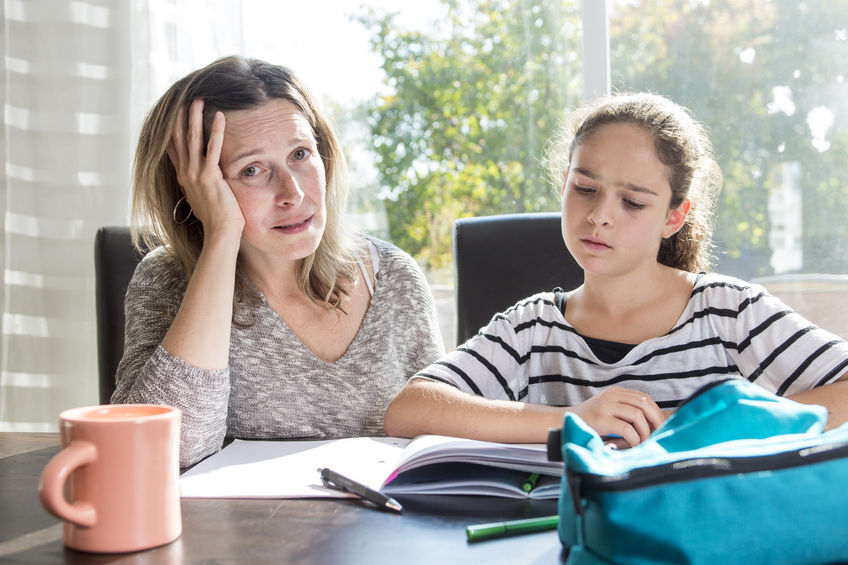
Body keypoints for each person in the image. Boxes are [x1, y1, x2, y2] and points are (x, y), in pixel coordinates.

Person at [384, 92, 848, 447]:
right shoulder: (533, 328)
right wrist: (574, 421)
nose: (600, 216)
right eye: (584, 188)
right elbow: (408, 409)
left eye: (632, 202)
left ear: (673, 216)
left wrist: (706, 428)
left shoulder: (731, 313)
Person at [112, 56, 444, 467]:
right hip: (237, 530)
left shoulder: (394, 277)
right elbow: (160, 452)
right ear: (194, 188)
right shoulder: (166, 279)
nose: (293, 193)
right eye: (251, 170)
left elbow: (438, 442)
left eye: (301, 154)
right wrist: (221, 235)